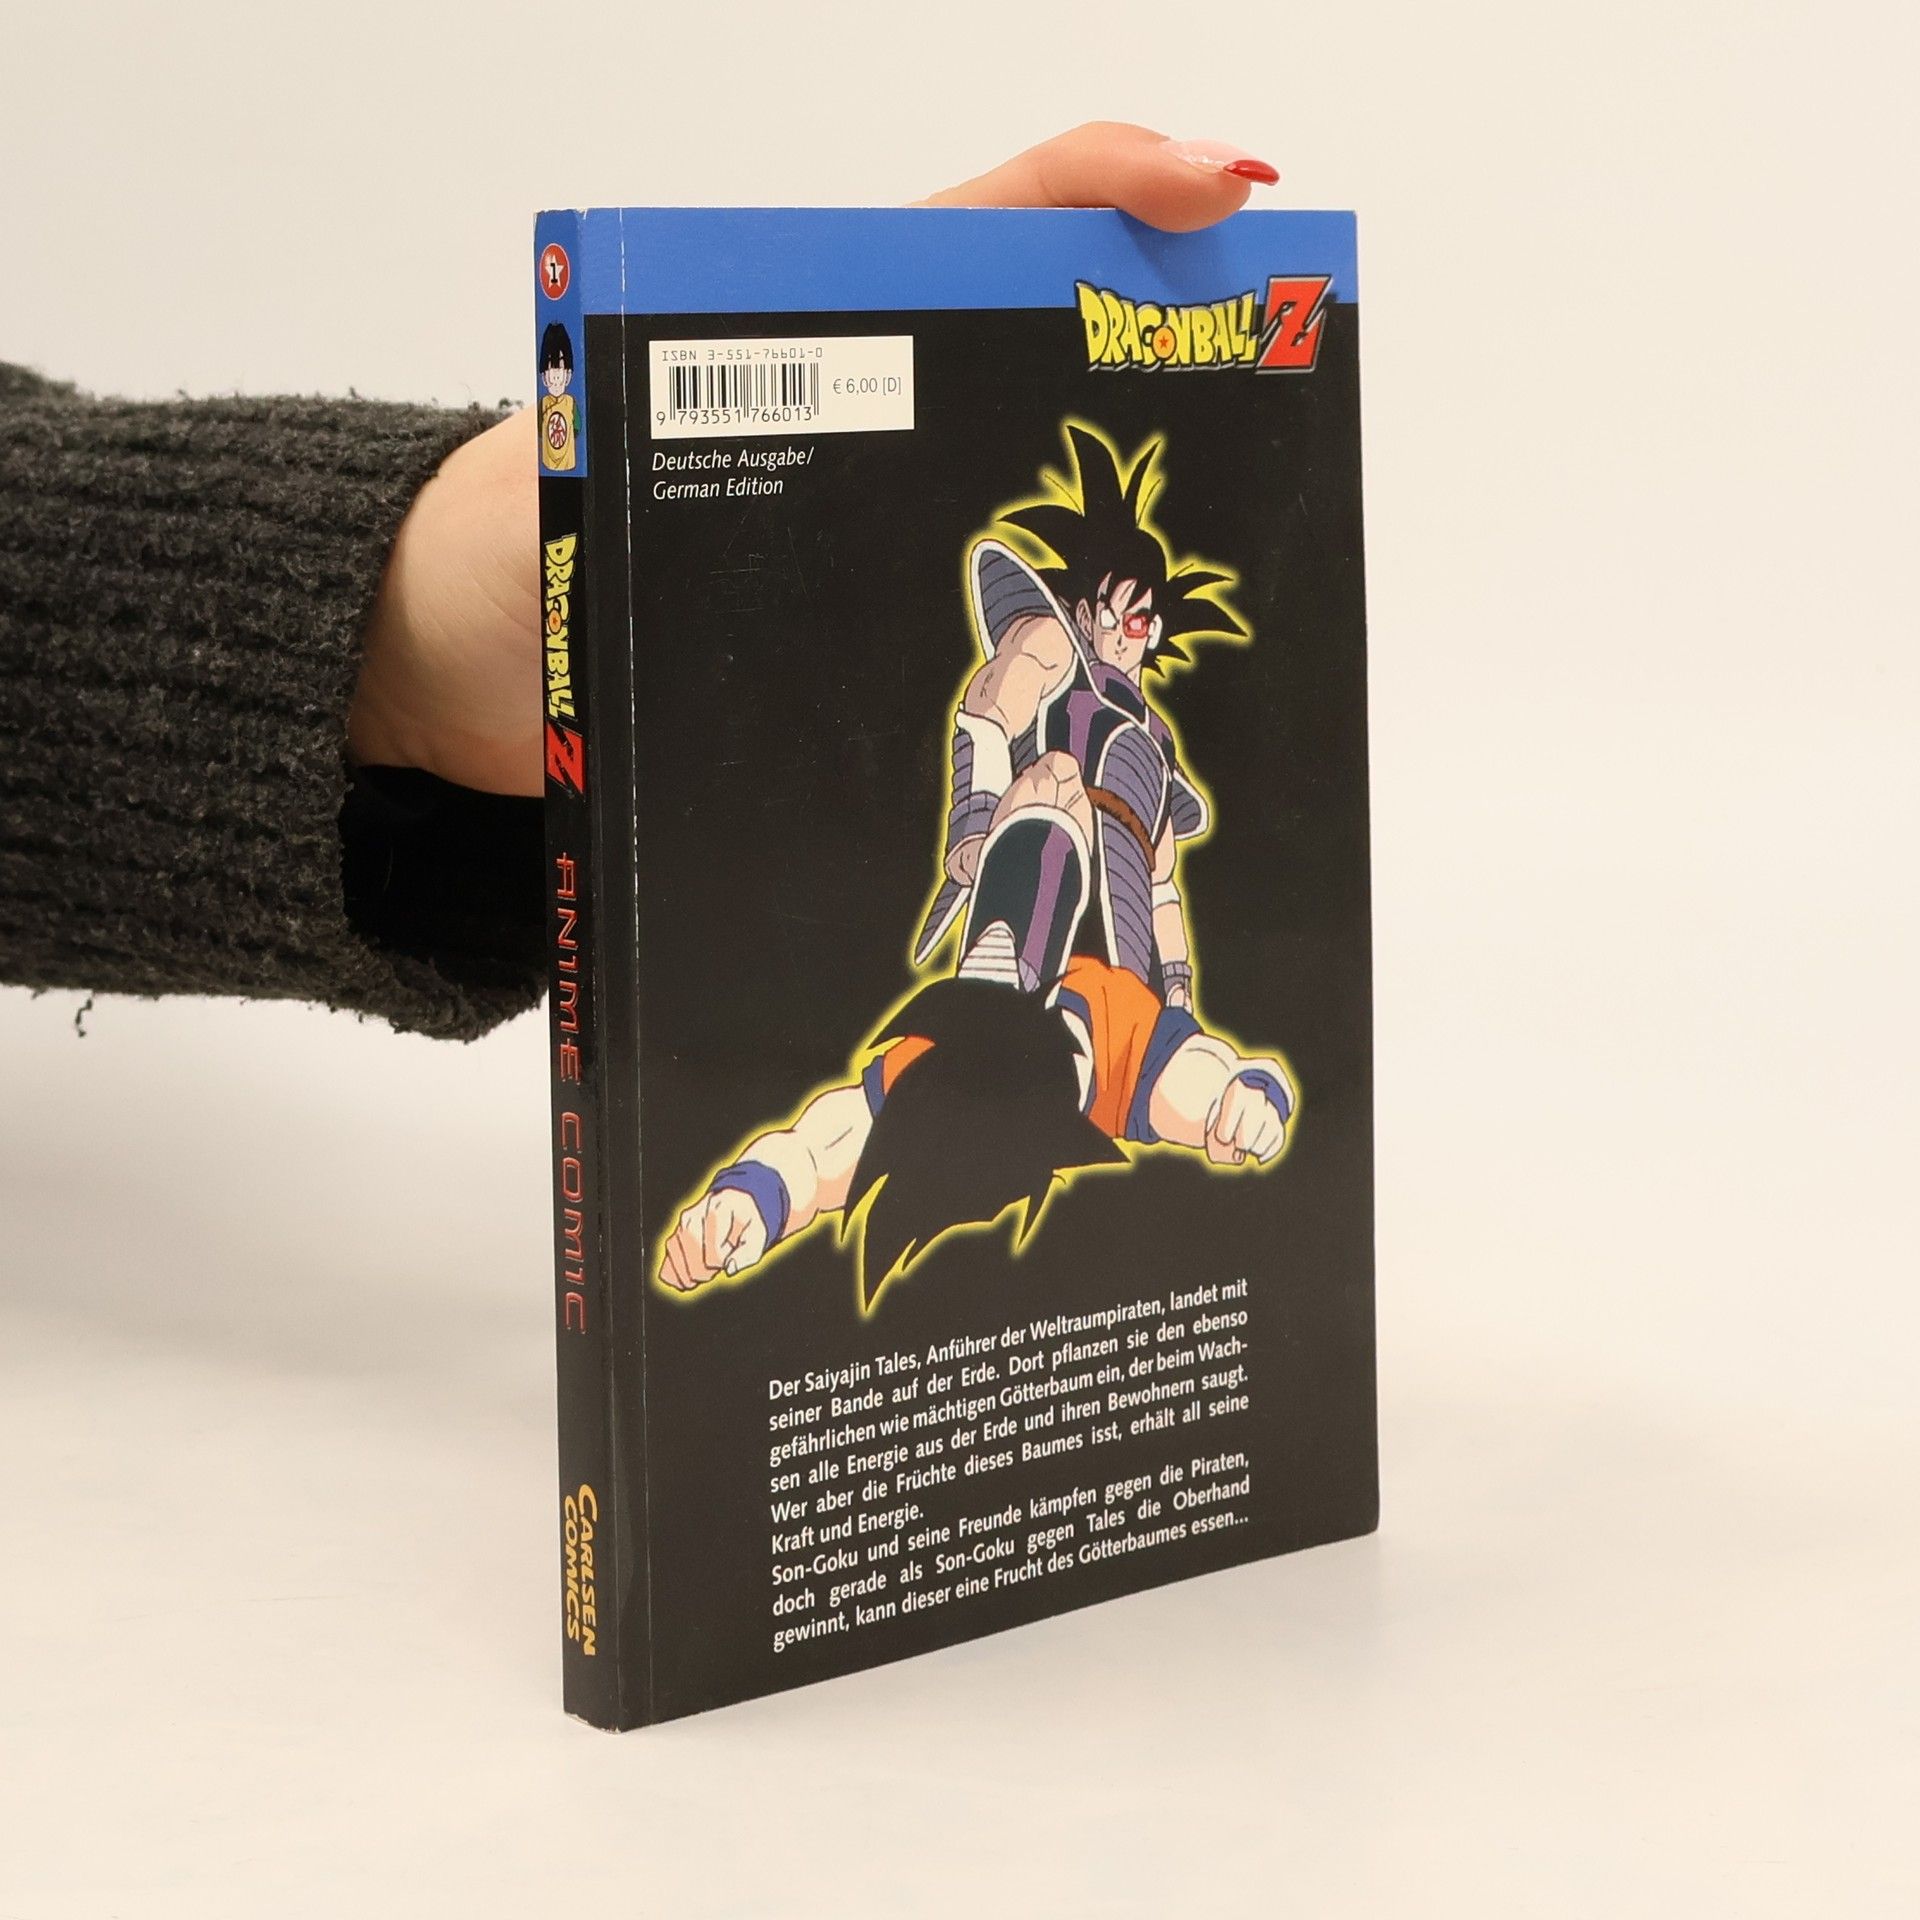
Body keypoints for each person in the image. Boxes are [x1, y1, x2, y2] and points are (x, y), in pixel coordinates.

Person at [0, 124, 1280, 1041]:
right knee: (1046, 809)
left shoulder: (1141, 745)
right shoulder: (1039, 664)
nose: (1134, 626)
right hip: (1002, 932)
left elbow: (1162, 881)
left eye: (1149, 616)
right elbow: (988, 725)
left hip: (1107, 992)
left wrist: (1173, 995)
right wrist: (970, 856)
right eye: (1121, 602)